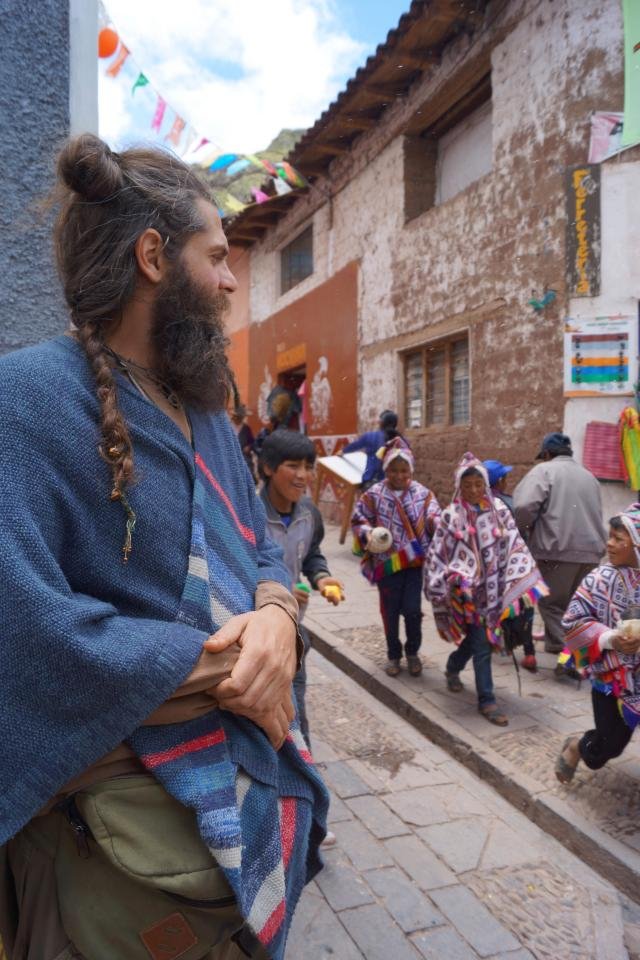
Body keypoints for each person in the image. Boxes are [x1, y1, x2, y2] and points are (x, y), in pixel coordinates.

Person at [0, 134, 328, 960]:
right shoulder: (26, 404)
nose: (228, 280)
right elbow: (26, 632)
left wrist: (280, 618)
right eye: (216, 256)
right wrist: (231, 672)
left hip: (232, 847)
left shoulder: (210, 414)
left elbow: (258, 542)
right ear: (153, 255)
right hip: (106, 872)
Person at [426, 453, 547, 726]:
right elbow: (439, 555)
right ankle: (487, 700)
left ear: (486, 485)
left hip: (494, 592)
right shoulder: (451, 517)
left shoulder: (500, 512)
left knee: (478, 640)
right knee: (481, 642)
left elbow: (515, 547)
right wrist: (454, 577)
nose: (473, 490)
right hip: (465, 594)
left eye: (478, 485)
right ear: (459, 485)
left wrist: (520, 578)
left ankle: (453, 666)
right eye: (467, 485)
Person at [258, 429, 344, 748]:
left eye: (308, 467)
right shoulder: (249, 515)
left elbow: (311, 554)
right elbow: (236, 569)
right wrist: (276, 594)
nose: (302, 476)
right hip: (257, 636)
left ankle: (299, 774)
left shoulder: (310, 515)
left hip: (295, 633)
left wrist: (322, 577)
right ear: (268, 467)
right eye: (292, 466)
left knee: (295, 709)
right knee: (262, 714)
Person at [556, 505, 640, 783]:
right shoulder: (598, 579)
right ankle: (576, 747)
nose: (610, 544)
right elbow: (572, 623)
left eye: (619, 539)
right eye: (611, 536)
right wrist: (610, 639)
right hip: (610, 680)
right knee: (607, 748)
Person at [351, 437, 441, 677]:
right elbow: (359, 519)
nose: (399, 475)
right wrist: (368, 533)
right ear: (386, 469)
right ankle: (393, 654)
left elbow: (433, 516)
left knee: (412, 610)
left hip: (413, 564)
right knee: (389, 612)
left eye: (404, 470)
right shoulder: (374, 495)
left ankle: (412, 651)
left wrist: (438, 524)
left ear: (410, 470)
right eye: (393, 470)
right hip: (386, 565)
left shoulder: (423, 494)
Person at [514, 431, 606, 654]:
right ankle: (556, 644)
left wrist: (523, 531)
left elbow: (523, 507)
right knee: (572, 605)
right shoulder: (588, 476)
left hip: (557, 551)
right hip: (591, 552)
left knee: (551, 604)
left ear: (546, 453)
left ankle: (570, 656)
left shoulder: (544, 470)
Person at [484, 459, 537, 672]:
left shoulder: (480, 507)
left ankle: (494, 642)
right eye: (505, 477)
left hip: (493, 568)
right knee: (524, 606)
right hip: (515, 564)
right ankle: (530, 653)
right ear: (500, 481)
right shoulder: (510, 503)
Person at [342, 409, 402, 490]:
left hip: (370, 482)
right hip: (393, 483)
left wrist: (342, 451)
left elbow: (355, 445)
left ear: (381, 422)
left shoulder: (370, 436)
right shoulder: (400, 440)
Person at [230, 403, 256, 482]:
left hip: (244, 456)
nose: (240, 419)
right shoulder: (228, 427)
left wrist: (249, 447)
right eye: (239, 417)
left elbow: (252, 442)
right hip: (231, 455)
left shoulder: (246, 428)